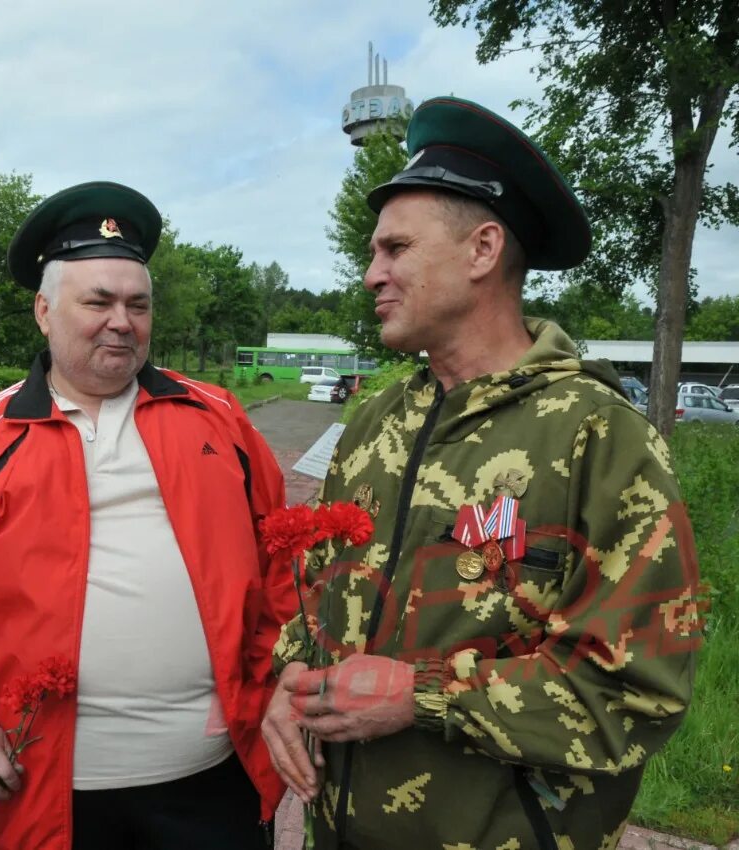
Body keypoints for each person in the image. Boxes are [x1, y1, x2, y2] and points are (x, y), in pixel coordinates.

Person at [261, 96, 701, 850]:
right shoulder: (373, 423)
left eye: (395, 249)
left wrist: (422, 697)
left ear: (483, 250)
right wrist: (288, 680)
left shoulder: (596, 434)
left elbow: (638, 691)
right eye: (374, 253)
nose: (373, 275)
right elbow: (322, 588)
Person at [0, 181, 296, 849]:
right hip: (48, 789)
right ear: (44, 311)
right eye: (97, 301)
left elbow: (285, 555)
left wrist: (286, 673)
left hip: (215, 779)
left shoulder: (217, 419)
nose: (121, 320)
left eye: (138, 304)